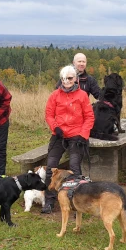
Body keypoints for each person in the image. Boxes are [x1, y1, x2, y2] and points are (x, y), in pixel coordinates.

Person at [41, 65, 95, 213]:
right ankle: (49, 200)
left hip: (76, 136)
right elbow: (49, 114)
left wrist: (83, 135)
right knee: (51, 166)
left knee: (74, 167)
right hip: (58, 135)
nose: (66, 81)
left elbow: (89, 117)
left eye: (70, 78)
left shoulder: (82, 95)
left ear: (75, 79)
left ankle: (76, 201)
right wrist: (55, 128)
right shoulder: (54, 95)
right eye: (64, 79)